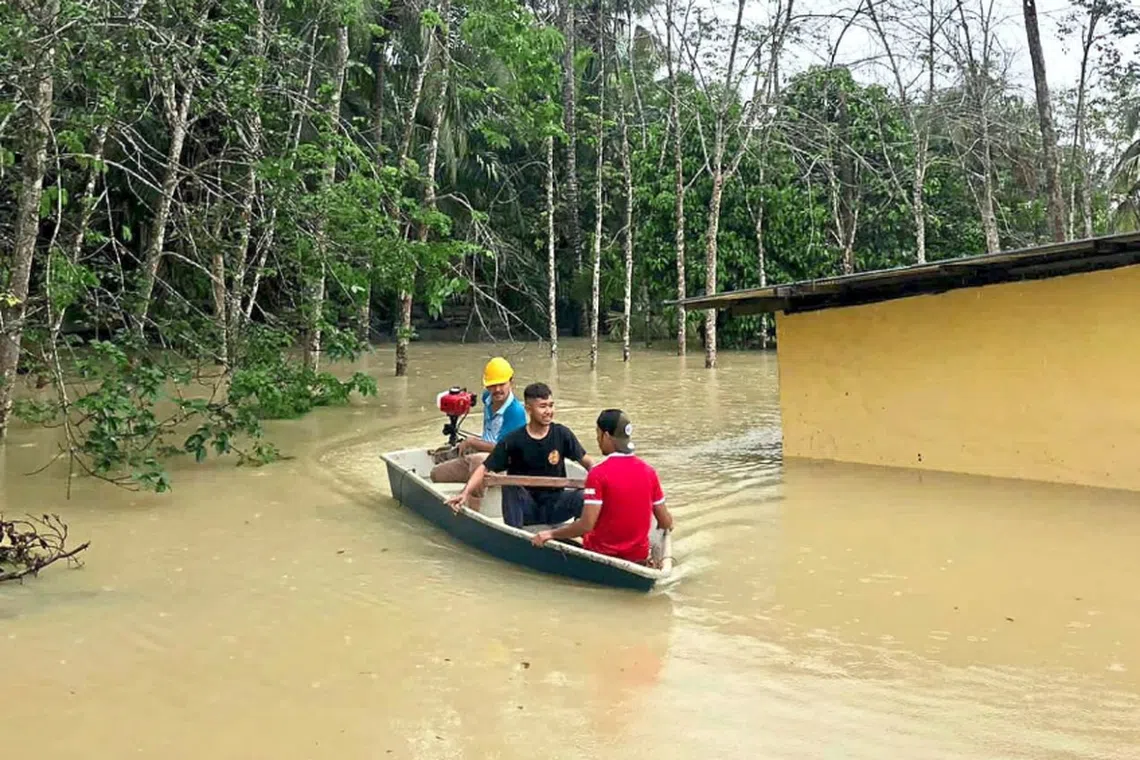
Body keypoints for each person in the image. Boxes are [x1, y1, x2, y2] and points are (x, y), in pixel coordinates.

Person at [531, 409, 674, 565]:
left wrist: (551, 534)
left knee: (562, 532)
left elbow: (586, 525)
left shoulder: (598, 474)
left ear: (605, 436)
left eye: (597, 434)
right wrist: (667, 523)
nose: (597, 440)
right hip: (638, 556)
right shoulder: (649, 472)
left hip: (601, 553)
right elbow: (665, 522)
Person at [446, 382, 595, 527]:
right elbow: (484, 468)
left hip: (554, 505)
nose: (548, 411)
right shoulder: (514, 440)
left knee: (584, 496)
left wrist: (596, 480)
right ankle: (515, 535)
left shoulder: (562, 434)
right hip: (525, 508)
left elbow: (588, 462)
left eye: (551, 405)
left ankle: (581, 537)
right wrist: (465, 493)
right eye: (542, 407)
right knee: (510, 484)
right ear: (528, 409)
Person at [430, 356, 527, 511]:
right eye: (492, 385)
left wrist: (472, 442)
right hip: (481, 453)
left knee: (479, 460)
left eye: (501, 384)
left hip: (506, 463)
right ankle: (470, 483)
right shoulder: (487, 397)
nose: (497, 390)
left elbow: (503, 450)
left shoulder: (515, 412)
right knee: (437, 473)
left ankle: (474, 510)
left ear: (511, 382)